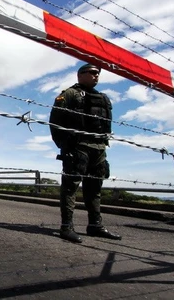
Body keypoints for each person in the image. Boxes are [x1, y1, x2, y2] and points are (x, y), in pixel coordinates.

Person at [49, 63, 121, 243]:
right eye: (92, 73)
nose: (96, 76)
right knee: (70, 186)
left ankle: (95, 225)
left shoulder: (103, 98)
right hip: (77, 146)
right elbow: (55, 122)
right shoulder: (70, 94)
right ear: (80, 75)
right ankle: (67, 226)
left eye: (98, 73)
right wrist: (65, 145)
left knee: (95, 188)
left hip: (99, 149)